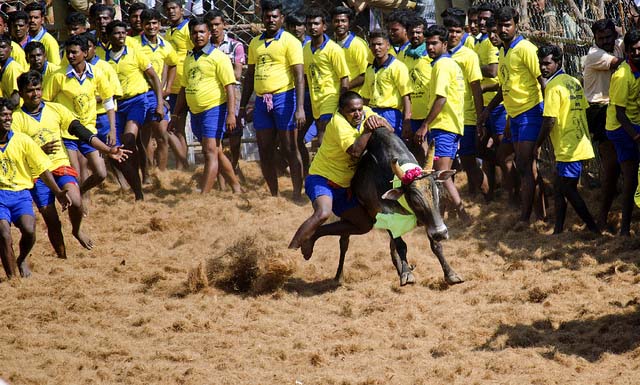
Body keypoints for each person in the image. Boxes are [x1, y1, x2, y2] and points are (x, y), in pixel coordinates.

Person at [13, 71, 129, 259]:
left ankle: (76, 230)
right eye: (29, 91)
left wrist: (108, 150)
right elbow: (17, 150)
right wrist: (39, 149)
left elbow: (82, 132)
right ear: (21, 93)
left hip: (59, 164)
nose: (35, 94)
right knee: (52, 221)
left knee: (76, 202)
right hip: (37, 174)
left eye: (38, 89)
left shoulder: (56, 109)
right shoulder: (16, 119)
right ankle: (63, 258)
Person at [289, 91, 390, 259]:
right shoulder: (337, 123)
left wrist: (380, 122)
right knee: (323, 213)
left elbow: (390, 129)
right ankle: (287, 255)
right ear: (342, 110)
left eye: (359, 109)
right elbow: (355, 151)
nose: (357, 114)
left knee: (364, 225)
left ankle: (316, 234)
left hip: (343, 187)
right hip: (322, 179)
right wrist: (368, 129)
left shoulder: (366, 112)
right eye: (352, 111)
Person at [480, 6, 547, 223]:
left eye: (507, 25)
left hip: (531, 113)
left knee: (526, 164)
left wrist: (549, 112)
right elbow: (505, 86)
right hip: (515, 115)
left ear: (516, 24)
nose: (503, 29)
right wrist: (488, 110)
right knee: (509, 159)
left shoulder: (525, 48)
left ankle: (528, 217)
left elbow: (543, 80)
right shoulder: (503, 51)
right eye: (500, 25)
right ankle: (537, 214)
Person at [239, 0, 306, 200]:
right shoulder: (255, 43)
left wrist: (300, 107)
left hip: (284, 98)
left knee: (289, 148)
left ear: (282, 19)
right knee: (264, 149)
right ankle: (274, 194)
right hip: (261, 101)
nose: (270, 20)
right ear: (262, 18)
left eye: (274, 16)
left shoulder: (290, 42)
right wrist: (242, 105)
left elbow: (299, 76)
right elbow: (249, 76)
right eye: (267, 16)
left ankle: (296, 193)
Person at [0, 97, 70, 279]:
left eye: (9, 115)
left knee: (30, 231)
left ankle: (21, 258)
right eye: (3, 115)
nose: (7, 119)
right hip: (0, 196)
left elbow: (42, 168)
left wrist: (58, 192)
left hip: (21, 194)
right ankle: (13, 279)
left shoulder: (22, 141)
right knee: (3, 233)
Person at [43, 34, 115, 209]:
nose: (70, 56)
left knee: (101, 173)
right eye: (68, 52)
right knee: (74, 172)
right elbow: (45, 102)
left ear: (85, 52)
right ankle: (78, 205)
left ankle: (80, 193)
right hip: (66, 133)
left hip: (89, 131)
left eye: (74, 52)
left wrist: (113, 128)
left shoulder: (96, 73)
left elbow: (108, 100)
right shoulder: (58, 76)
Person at [173, 18, 242, 194]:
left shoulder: (218, 57)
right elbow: (184, 88)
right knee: (216, 152)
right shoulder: (189, 58)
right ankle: (236, 187)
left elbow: (230, 86)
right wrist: (175, 114)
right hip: (195, 112)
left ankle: (204, 195)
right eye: (195, 32)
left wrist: (231, 114)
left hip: (214, 109)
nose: (198, 36)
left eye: (202, 32)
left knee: (209, 151)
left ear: (209, 33)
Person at [535, 45, 599, 234]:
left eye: (547, 63)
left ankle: (593, 228)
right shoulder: (573, 81)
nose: (543, 67)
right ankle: (558, 230)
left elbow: (549, 120)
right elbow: (584, 110)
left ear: (558, 63)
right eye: (541, 63)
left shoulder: (554, 87)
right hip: (577, 142)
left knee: (568, 189)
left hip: (569, 146)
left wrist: (537, 145)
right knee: (559, 187)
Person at [103, 20, 165, 201]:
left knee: (129, 140)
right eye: (116, 33)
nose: (121, 36)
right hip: (115, 105)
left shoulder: (134, 52)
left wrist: (159, 103)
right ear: (109, 36)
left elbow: (153, 76)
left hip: (137, 101)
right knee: (115, 147)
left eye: (123, 33)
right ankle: (133, 183)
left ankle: (141, 181)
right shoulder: (103, 57)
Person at [414, 25, 469, 221]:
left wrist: (424, 124)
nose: (429, 47)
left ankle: (463, 214)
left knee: (441, 175)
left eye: (434, 43)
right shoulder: (449, 64)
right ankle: (445, 215)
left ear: (444, 44)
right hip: (450, 126)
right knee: (443, 175)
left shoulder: (442, 65)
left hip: (443, 126)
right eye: (427, 43)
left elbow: (441, 99)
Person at [583, 19, 624, 229]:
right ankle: (602, 216)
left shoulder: (618, 43)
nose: (606, 42)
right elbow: (622, 63)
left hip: (619, 105)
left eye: (609, 37)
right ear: (595, 39)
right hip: (600, 109)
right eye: (601, 39)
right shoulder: (594, 55)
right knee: (612, 167)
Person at [444, 15, 489, 198]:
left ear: (463, 32)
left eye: (458, 31)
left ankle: (487, 199)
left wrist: (480, 119)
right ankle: (457, 202)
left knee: (469, 161)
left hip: (466, 116)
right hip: (446, 117)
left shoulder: (468, 55)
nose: (454, 35)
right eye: (451, 31)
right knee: (448, 165)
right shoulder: (439, 54)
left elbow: (476, 88)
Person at [135, 8, 179, 173]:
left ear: (160, 24)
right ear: (143, 25)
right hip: (139, 93)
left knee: (161, 134)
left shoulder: (166, 46)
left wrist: (168, 87)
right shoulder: (134, 43)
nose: (151, 27)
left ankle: (162, 174)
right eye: (148, 23)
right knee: (143, 136)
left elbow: (173, 64)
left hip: (156, 95)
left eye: (154, 23)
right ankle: (148, 171)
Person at [605, 30, 640, 236]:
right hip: (621, 128)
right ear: (626, 51)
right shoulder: (622, 75)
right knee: (630, 178)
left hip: (634, 124)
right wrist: (636, 138)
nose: (637, 53)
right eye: (633, 50)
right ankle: (625, 228)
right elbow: (619, 113)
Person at [205, 9, 247, 180]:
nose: (214, 28)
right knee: (216, 133)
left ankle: (235, 164)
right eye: (211, 25)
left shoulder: (235, 46)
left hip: (232, 91)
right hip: (211, 92)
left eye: (217, 24)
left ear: (224, 25)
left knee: (235, 131)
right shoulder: (204, 47)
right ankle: (221, 171)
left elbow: (237, 74)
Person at [303, 8, 349, 145]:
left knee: (324, 133)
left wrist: (342, 103)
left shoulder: (334, 50)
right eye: (310, 24)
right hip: (315, 100)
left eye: (316, 24)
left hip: (331, 98)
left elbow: (344, 78)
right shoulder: (305, 49)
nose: (313, 27)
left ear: (324, 26)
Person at [360, 30, 412, 138]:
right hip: (372, 112)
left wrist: (407, 120)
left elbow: (406, 96)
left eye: (380, 44)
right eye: (373, 45)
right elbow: (365, 97)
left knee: (391, 148)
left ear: (387, 45)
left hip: (391, 114)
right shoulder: (370, 70)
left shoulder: (398, 67)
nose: (376, 48)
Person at [163, 0, 193, 170]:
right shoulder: (168, 32)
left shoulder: (189, 29)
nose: (171, 11)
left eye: (174, 8)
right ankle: (183, 168)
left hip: (190, 85)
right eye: (168, 9)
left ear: (181, 9)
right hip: (174, 88)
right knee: (177, 128)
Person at [400, 16, 431, 162]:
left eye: (419, 32)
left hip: (430, 113)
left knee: (432, 154)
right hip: (413, 114)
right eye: (412, 32)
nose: (415, 35)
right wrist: (406, 117)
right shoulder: (404, 54)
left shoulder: (430, 54)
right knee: (416, 153)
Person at [331, 6, 371, 93]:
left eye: (343, 21)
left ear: (349, 23)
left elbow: (365, 74)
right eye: (336, 21)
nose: (340, 24)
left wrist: (345, 88)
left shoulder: (358, 45)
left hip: (355, 96)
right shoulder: (332, 45)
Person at [0, 34, 22, 108]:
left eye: (3, 47)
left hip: (17, 112)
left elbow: (16, 99)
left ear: (11, 49)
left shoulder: (13, 68)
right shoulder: (4, 68)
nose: (0, 50)